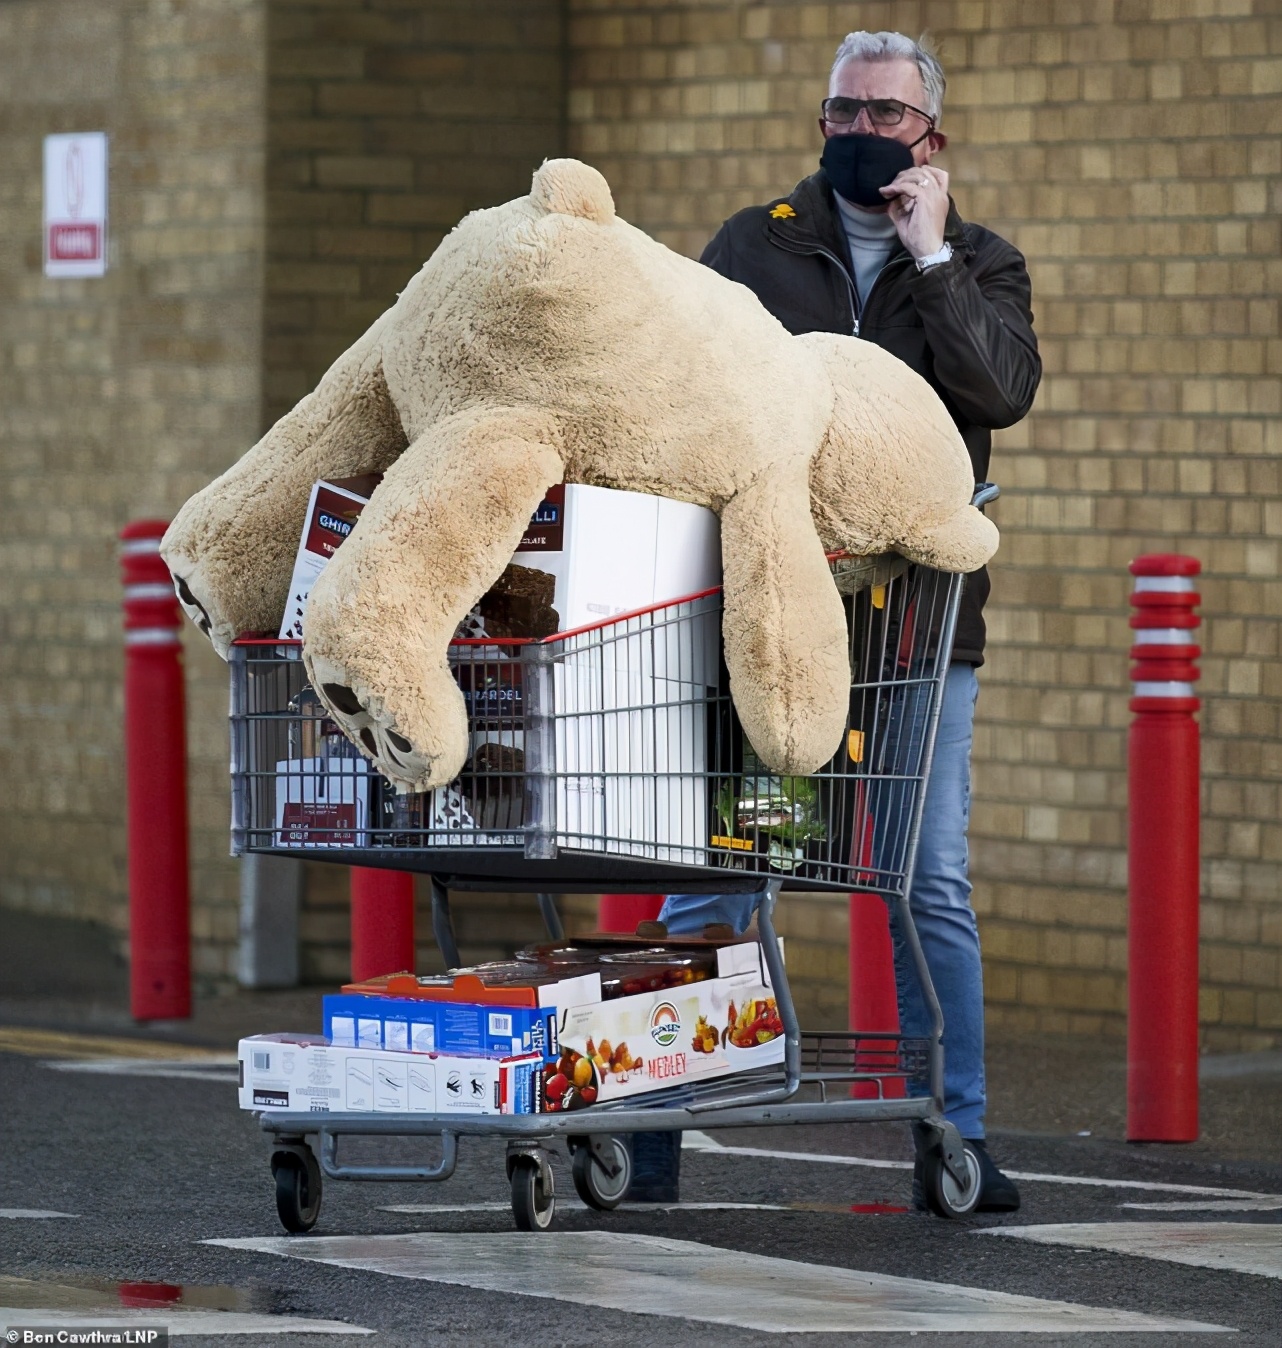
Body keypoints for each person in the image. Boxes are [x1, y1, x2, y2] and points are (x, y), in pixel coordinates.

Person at [652, 30, 1040, 1212]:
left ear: (931, 137)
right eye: (842, 112)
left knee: (921, 882)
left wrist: (931, 263)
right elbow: (683, 389)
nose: (860, 134)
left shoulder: (982, 262)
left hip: (916, 647)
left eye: (885, 116)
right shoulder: (755, 246)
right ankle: (661, 1117)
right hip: (775, 635)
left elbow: (1000, 395)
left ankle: (954, 1138)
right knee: (737, 863)